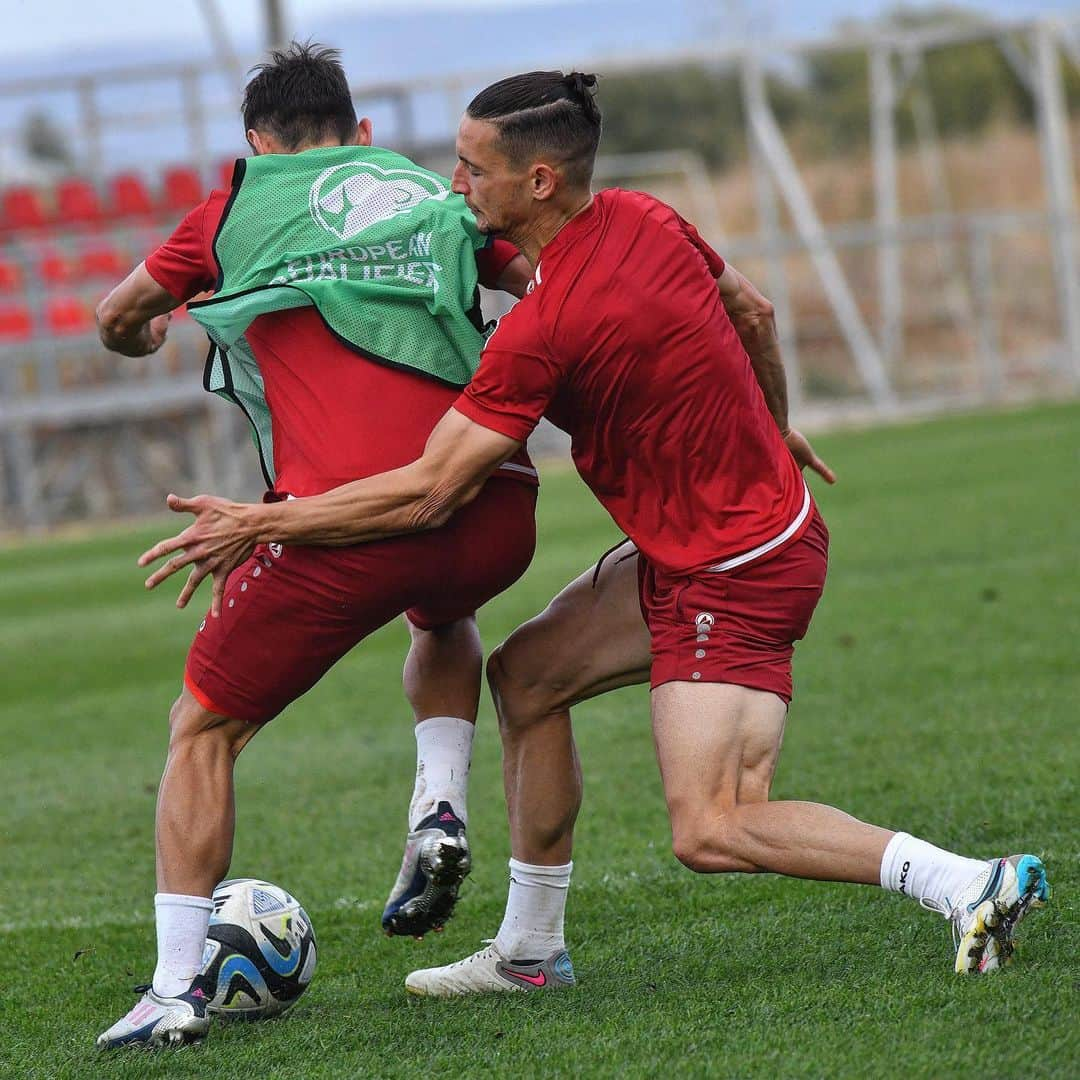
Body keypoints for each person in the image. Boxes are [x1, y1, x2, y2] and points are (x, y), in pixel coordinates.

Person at [138, 70, 1050, 999]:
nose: (453, 186)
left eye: (470, 168)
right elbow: (754, 312)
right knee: (525, 677)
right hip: (701, 546)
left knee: (714, 825)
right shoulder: (647, 217)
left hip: (734, 574)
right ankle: (531, 951)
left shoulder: (544, 329)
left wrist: (268, 520)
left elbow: (426, 493)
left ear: (537, 182)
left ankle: (965, 882)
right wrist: (772, 425)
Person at [93, 44, 539, 1049]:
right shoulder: (431, 198)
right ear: (363, 133)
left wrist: (147, 335)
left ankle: (173, 991)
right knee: (444, 608)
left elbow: (116, 315)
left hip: (346, 529)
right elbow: (549, 279)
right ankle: (438, 805)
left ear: (259, 146)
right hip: (494, 513)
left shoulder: (228, 213)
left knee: (201, 732)